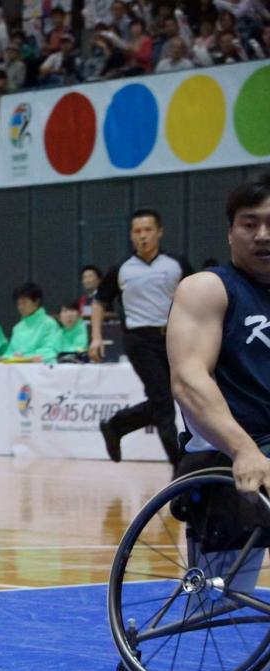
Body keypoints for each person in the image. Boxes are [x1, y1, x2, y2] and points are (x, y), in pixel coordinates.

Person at [166, 173, 270, 558]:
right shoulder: (207, 289)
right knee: (220, 600)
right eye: (249, 224)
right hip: (228, 448)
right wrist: (243, 449)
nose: (262, 234)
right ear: (230, 233)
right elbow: (189, 379)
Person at [93, 209, 191, 465]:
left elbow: (197, 295)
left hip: (174, 339)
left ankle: (116, 425)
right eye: (137, 231)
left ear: (159, 232)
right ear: (131, 236)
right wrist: (95, 337)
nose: (142, 236)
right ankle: (180, 469)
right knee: (164, 404)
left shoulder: (176, 264)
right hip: (139, 341)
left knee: (176, 397)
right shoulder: (122, 269)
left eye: (147, 230)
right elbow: (99, 302)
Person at [3, 282, 61, 363]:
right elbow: (10, 352)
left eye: (24, 303)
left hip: (41, 369)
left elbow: (51, 349)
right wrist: (5, 357)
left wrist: (27, 357)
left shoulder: (49, 324)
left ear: (36, 301)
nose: (20, 307)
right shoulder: (17, 328)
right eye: (18, 304)